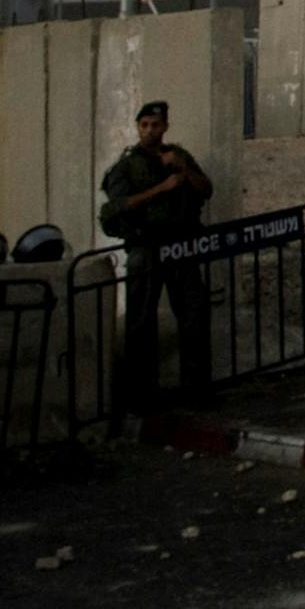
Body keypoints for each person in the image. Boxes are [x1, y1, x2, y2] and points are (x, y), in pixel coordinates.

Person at [100, 100, 213, 410]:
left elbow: (205, 189)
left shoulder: (178, 156)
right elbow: (119, 205)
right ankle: (141, 393)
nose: (150, 131)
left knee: (194, 315)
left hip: (181, 246)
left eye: (156, 125)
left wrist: (183, 170)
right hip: (147, 247)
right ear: (138, 128)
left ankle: (196, 387)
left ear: (165, 127)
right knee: (140, 321)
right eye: (144, 125)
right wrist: (162, 188)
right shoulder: (127, 165)